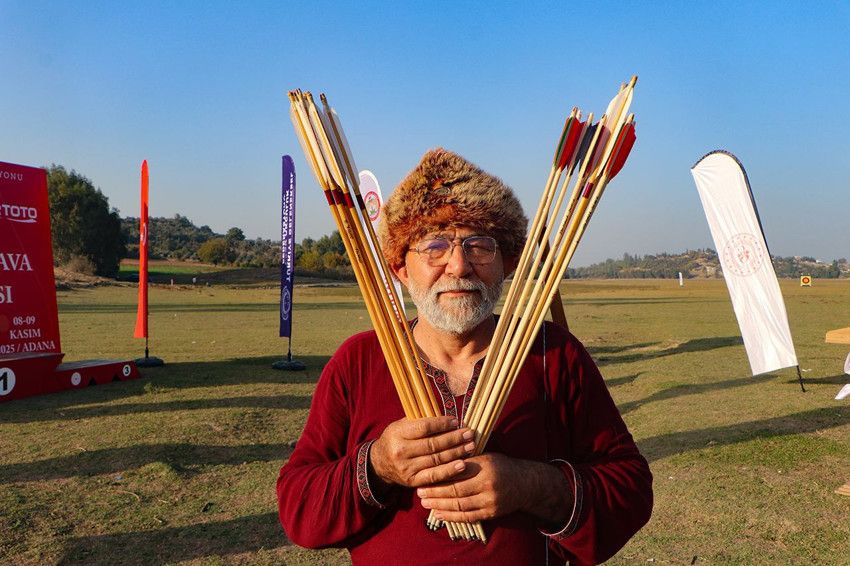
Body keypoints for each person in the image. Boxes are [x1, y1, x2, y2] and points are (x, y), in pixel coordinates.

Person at [277, 148, 653, 565]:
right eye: (434, 246)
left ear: (507, 263)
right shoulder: (359, 360)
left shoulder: (554, 353)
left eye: (479, 245)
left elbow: (631, 490)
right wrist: (378, 465)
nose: (458, 265)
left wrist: (531, 485)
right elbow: (299, 509)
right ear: (401, 268)